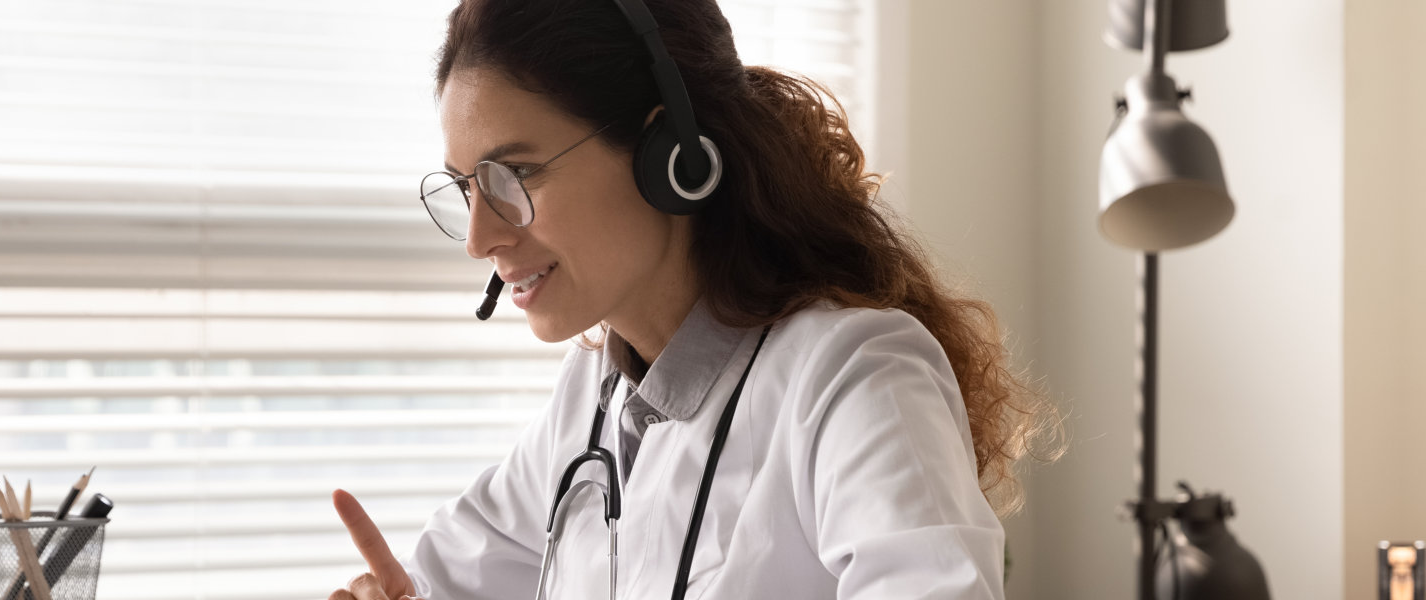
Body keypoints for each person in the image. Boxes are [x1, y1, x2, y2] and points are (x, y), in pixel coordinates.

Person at [328, 0, 1060, 598]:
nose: (479, 239)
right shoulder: (592, 399)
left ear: (669, 157)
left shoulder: (852, 375)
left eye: (515, 175)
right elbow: (442, 579)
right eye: (467, 189)